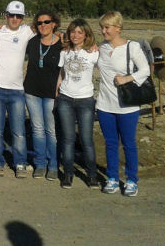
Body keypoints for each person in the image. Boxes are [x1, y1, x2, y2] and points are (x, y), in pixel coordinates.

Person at [96, 11, 149, 197]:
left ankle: (132, 180)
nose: (103, 31)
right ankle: (112, 178)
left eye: (107, 27)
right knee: (110, 143)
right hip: (104, 104)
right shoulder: (101, 47)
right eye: (102, 27)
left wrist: (127, 78)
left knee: (128, 144)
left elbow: (146, 70)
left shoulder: (132, 47)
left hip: (127, 106)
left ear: (118, 28)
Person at [0, 1, 36, 178]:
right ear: (6, 15)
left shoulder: (26, 32)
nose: (15, 19)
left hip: (17, 91)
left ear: (23, 18)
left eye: (19, 16)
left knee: (18, 131)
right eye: (11, 15)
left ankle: (20, 163)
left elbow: (48, 27)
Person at [57, 19, 100, 189]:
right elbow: (61, 74)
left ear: (86, 35)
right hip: (66, 98)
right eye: (73, 32)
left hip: (85, 100)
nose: (75, 35)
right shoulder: (65, 52)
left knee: (86, 139)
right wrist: (57, 92)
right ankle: (68, 174)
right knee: (68, 139)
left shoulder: (93, 53)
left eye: (80, 32)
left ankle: (92, 175)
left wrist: (95, 45)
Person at [24, 10, 63, 181]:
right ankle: (40, 163)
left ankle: (53, 165)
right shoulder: (32, 42)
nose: (43, 26)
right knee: (37, 129)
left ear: (54, 23)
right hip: (32, 91)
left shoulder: (63, 43)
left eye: (47, 22)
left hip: (51, 93)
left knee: (51, 131)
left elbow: (83, 45)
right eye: (39, 23)